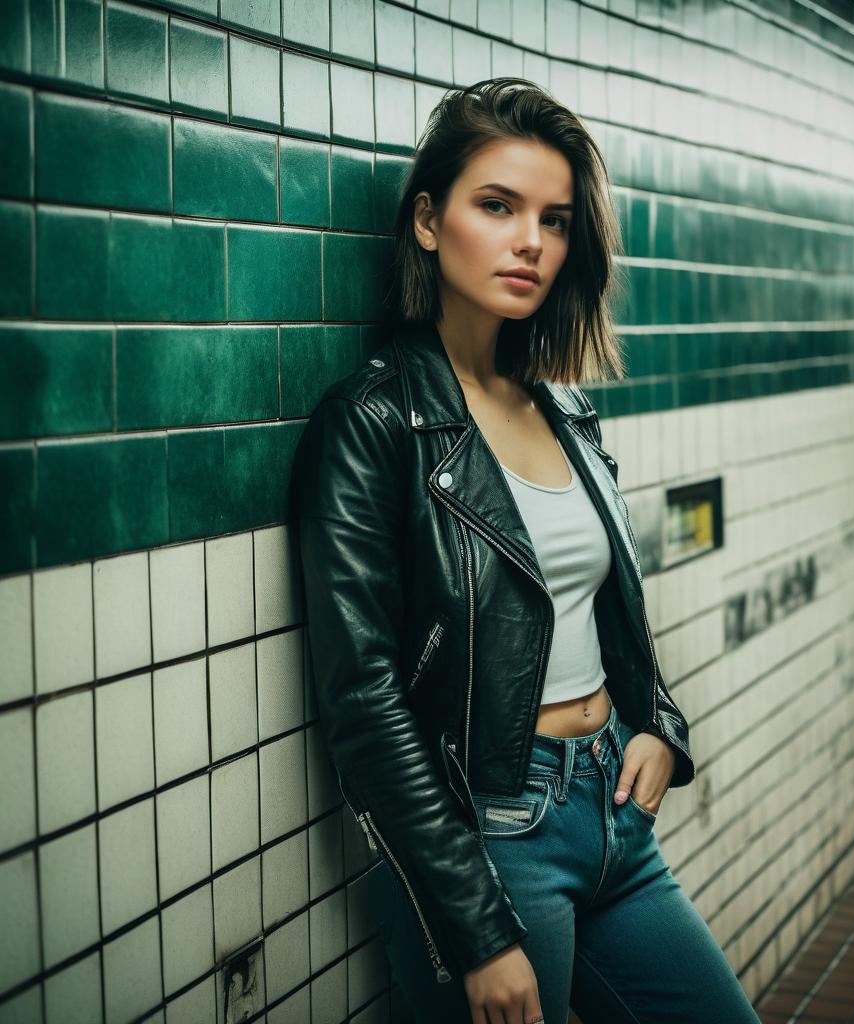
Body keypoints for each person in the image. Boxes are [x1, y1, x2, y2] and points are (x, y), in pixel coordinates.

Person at [291, 77, 761, 1024]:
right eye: (498, 206)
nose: (531, 242)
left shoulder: (565, 407)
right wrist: (473, 928)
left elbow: (606, 606)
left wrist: (658, 724)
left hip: (612, 812)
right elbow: (363, 697)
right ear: (430, 221)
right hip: (493, 838)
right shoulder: (373, 423)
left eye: (554, 220)